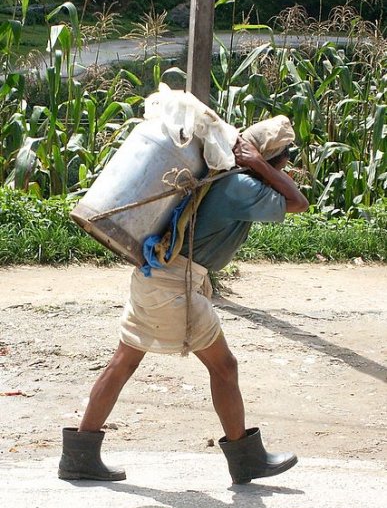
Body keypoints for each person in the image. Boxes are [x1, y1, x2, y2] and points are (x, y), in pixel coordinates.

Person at [58, 115, 309, 485]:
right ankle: (246, 461)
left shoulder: (224, 179)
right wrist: (255, 163)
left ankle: (78, 457)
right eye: (285, 157)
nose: (288, 163)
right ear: (274, 158)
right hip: (175, 285)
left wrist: (255, 164)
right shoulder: (241, 185)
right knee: (224, 367)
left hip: (155, 275)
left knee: (123, 362)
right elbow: (298, 202)